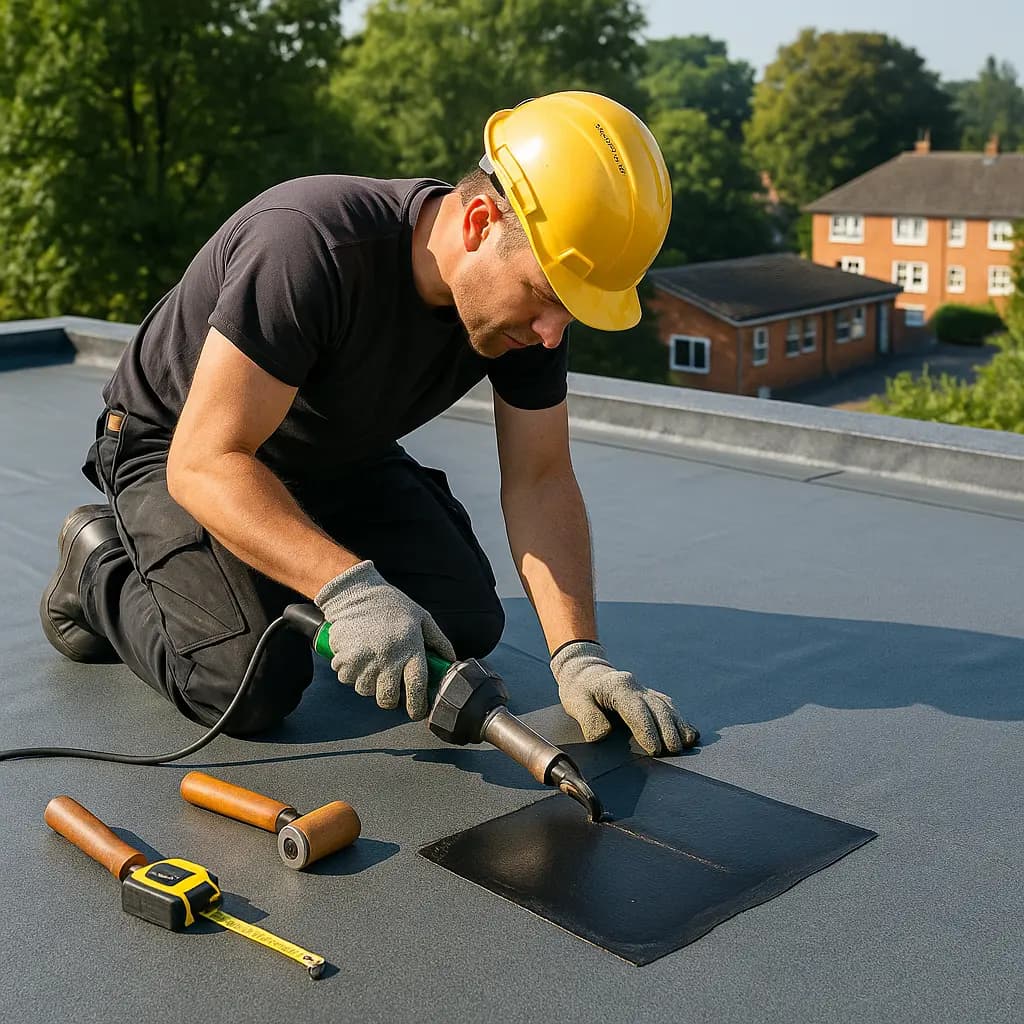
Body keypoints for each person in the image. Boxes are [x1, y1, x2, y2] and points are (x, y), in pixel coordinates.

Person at [40, 91, 699, 756]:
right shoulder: (309, 245)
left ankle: (269, 565)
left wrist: (578, 655)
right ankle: (99, 565)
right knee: (247, 682)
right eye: (546, 298)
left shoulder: (529, 321)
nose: (553, 333)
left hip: (332, 451)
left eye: (572, 312)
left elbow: (540, 477)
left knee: (461, 622)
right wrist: (348, 589)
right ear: (477, 222)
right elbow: (204, 461)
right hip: (176, 445)